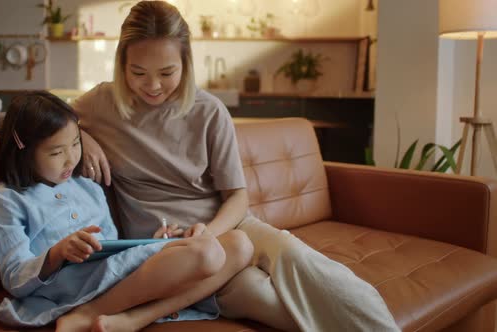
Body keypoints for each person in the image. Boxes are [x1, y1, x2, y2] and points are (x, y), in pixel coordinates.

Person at [73, 1, 401, 331]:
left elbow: (237, 198)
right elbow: (39, 120)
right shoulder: (102, 104)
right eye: (138, 73)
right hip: (169, 248)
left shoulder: (209, 112)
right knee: (258, 296)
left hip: (227, 227)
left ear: (186, 63)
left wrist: (209, 233)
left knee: (297, 258)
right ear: (122, 63)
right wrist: (80, 136)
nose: (153, 86)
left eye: (167, 73)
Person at [0, 91, 253, 332]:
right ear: (24, 152)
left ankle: (134, 318)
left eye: (76, 144)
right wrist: (56, 253)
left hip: (115, 276)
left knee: (240, 244)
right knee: (206, 252)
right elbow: (14, 278)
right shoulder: (9, 200)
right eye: (57, 152)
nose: (71, 159)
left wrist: (155, 241)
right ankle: (90, 312)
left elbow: (112, 247)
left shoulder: (87, 187)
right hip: (72, 287)